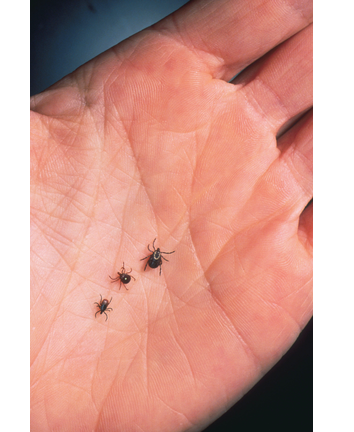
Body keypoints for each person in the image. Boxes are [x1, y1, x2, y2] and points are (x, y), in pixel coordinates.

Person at [30, 0, 312, 429]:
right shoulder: (144, 266)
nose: (144, 265)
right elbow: (146, 265)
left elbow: (143, 265)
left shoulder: (140, 266)